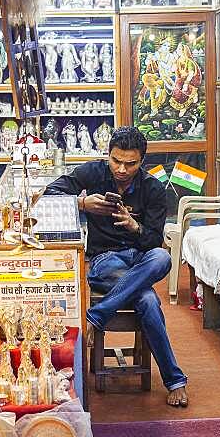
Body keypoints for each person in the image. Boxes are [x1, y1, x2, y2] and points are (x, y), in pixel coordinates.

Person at [44, 126, 188, 407]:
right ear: (108, 155)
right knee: (146, 298)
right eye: (116, 161)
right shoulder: (94, 173)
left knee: (163, 258)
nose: (121, 169)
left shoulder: (153, 189)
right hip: (104, 261)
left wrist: (135, 227)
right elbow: (50, 194)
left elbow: (154, 239)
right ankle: (175, 381)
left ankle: (97, 314)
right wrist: (82, 203)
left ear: (142, 161)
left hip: (139, 258)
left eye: (130, 164)